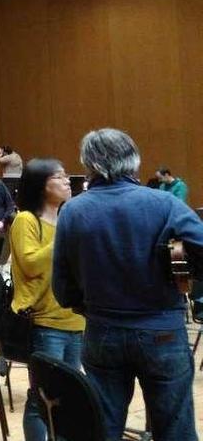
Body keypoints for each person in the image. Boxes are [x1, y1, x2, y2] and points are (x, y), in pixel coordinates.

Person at [53, 128, 203, 441]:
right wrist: (185, 276)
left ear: (88, 165)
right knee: (175, 428)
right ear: (134, 162)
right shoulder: (165, 203)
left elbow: (62, 289)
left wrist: (87, 305)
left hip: (101, 330)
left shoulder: (72, 210)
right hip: (162, 330)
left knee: (103, 428)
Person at [9, 158, 85, 441]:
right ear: (41, 186)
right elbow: (30, 264)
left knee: (68, 397)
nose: (68, 182)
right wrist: (64, 237)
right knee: (42, 396)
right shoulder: (25, 220)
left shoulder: (67, 219)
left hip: (75, 319)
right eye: (60, 177)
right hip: (43, 321)